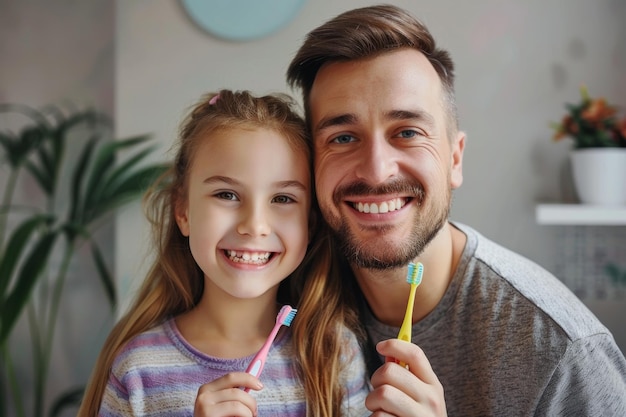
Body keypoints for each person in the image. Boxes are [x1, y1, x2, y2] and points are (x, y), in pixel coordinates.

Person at [286, 4, 626, 416]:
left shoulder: (562, 351)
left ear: (455, 159)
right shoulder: (282, 294)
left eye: (408, 132)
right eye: (342, 137)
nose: (376, 170)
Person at [78, 90, 370, 417]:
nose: (254, 225)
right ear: (183, 210)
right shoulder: (138, 370)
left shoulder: (333, 354)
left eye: (283, 199)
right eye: (227, 194)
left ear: (310, 223)